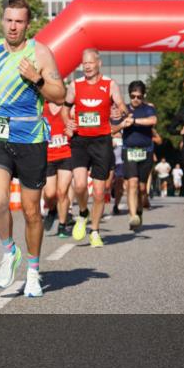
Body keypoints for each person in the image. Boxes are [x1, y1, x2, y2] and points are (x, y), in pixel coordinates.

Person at [0, 0, 65, 298]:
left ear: (28, 24)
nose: (13, 26)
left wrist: (37, 78)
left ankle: (33, 271)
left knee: (31, 212)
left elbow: (60, 94)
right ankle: (8, 251)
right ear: (2, 21)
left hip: (30, 137)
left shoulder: (40, 53)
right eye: (8, 20)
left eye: (19, 21)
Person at [65, 49, 128, 248]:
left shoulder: (109, 85)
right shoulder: (75, 85)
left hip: (102, 141)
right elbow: (65, 109)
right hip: (80, 141)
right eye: (84, 63)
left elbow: (121, 105)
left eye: (90, 62)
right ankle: (83, 213)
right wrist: (67, 122)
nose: (87, 66)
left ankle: (95, 231)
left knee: (100, 192)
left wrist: (121, 111)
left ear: (98, 63)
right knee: (80, 185)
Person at [120, 81, 158, 231]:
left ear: (143, 96)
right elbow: (114, 123)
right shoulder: (124, 109)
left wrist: (134, 121)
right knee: (132, 183)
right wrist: (122, 123)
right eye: (132, 96)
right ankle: (133, 216)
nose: (135, 99)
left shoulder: (148, 109)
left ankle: (140, 210)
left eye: (139, 96)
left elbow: (153, 121)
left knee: (142, 188)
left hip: (146, 151)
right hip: (128, 150)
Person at [42, 100, 74, 238]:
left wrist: (72, 132)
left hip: (66, 154)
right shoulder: (41, 107)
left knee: (62, 192)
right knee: (49, 194)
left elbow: (77, 128)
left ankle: (62, 225)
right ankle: (52, 209)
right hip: (48, 156)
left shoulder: (69, 109)